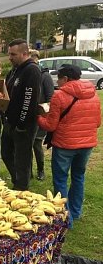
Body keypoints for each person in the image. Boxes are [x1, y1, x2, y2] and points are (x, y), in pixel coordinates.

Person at [37, 64, 101, 227]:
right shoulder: (93, 94)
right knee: (79, 177)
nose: (57, 81)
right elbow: (98, 122)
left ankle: (66, 218)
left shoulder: (59, 96)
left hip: (65, 145)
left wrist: (38, 117)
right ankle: (75, 211)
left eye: (58, 77)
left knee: (60, 180)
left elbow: (50, 126)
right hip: (87, 145)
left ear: (65, 79)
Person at [1, 39, 41, 190]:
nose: (10, 57)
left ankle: (21, 187)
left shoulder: (31, 70)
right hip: (9, 120)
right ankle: (17, 178)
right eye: (9, 54)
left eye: (13, 54)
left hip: (24, 125)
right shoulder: (14, 70)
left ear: (25, 53)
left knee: (22, 158)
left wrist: (22, 124)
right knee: (5, 153)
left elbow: (29, 99)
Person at [29, 49, 54, 180]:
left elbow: (50, 97)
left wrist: (44, 112)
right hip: (28, 115)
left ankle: (40, 170)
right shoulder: (28, 74)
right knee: (27, 144)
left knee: (37, 144)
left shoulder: (45, 76)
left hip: (40, 116)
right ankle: (28, 172)